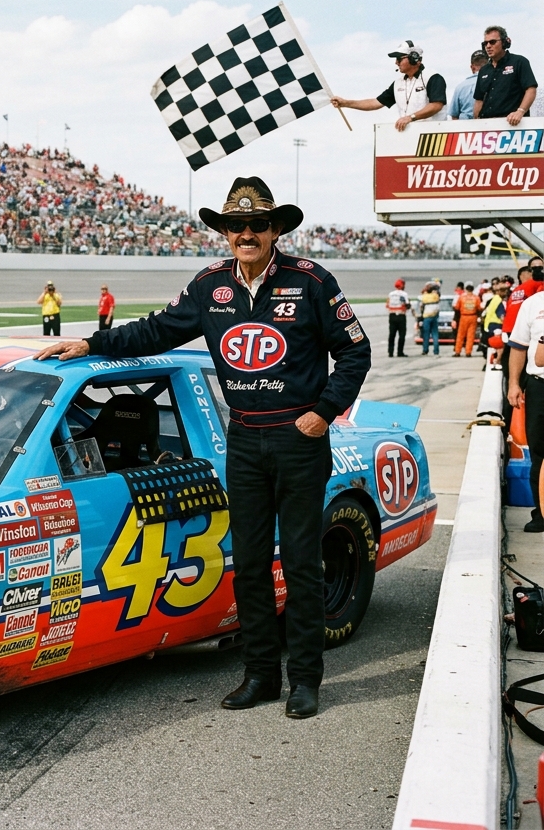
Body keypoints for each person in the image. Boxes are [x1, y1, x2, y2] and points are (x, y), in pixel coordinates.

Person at [35, 177, 371, 719]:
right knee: (253, 563)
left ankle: (305, 679)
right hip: (243, 439)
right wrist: (93, 343)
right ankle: (261, 674)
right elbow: (158, 330)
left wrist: (322, 413)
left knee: (303, 564)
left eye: (257, 225)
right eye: (236, 226)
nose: (246, 234)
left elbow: (355, 353)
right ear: (225, 232)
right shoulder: (210, 284)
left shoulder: (311, 280)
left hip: (297, 439)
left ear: (276, 230)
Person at [330, 40, 446, 131]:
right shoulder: (398, 83)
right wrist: (345, 103)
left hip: (434, 134)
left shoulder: (433, 77)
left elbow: (436, 105)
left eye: (399, 59)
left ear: (414, 58)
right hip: (410, 135)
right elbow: (376, 102)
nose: (396, 62)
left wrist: (410, 118)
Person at [507, 283, 544, 533]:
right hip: (539, 385)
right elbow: (519, 347)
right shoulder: (533, 304)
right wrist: (513, 384)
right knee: (539, 451)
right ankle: (540, 514)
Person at [473, 26, 537, 124]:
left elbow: (531, 89)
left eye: (492, 42)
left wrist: (520, 111)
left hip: (513, 125)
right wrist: (476, 122)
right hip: (487, 126)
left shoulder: (519, 62)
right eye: (485, 43)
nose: (488, 46)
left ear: (504, 42)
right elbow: (479, 100)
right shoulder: (483, 70)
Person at [448, 50, 489, 120]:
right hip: (490, 127)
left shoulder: (460, 87)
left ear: (472, 67)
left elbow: (454, 116)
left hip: (465, 128)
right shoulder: (495, 83)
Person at [453, 284, 481, 357]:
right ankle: (468, 352)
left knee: (460, 335)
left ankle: (457, 351)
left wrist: (455, 319)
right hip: (473, 317)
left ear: (466, 289)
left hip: (463, 317)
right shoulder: (476, 298)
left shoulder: (461, 297)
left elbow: (457, 308)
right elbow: (479, 309)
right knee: (470, 336)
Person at [386, 278, 410, 357]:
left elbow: (387, 305)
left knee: (392, 334)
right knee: (402, 335)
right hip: (401, 316)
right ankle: (400, 352)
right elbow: (407, 304)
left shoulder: (391, 294)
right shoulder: (404, 294)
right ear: (403, 286)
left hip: (392, 316)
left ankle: (390, 352)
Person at [419, 281, 442, 356]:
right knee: (435, 334)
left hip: (426, 317)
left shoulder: (424, 296)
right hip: (434, 316)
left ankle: (425, 350)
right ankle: (436, 351)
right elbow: (439, 299)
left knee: (426, 334)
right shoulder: (435, 296)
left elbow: (421, 305)